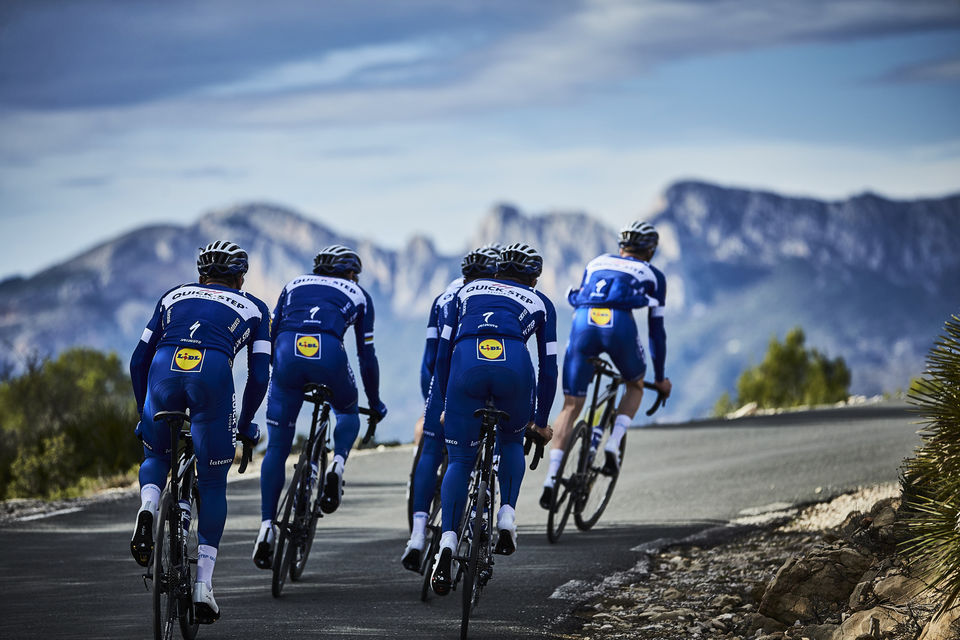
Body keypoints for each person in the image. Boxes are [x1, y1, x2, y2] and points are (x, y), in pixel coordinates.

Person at [129, 240, 270, 623]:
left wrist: (144, 410)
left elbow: (138, 359)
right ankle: (203, 586)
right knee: (211, 483)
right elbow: (259, 374)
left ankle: (147, 509)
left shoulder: (172, 295)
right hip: (212, 376)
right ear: (241, 277)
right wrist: (243, 426)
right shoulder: (256, 307)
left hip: (163, 369)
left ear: (200, 274)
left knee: (157, 455)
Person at [427, 242, 557, 596]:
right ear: (535, 276)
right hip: (514, 369)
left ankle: (448, 543)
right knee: (513, 439)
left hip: (465, 365)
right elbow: (549, 368)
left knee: (460, 460)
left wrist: (443, 401)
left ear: (498, 270)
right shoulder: (541, 302)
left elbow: (442, 351)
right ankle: (506, 517)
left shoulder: (466, 290)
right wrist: (540, 422)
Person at [253, 244, 387, 569]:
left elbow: (271, 333)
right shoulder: (358, 293)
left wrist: (282, 376)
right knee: (347, 410)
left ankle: (266, 528)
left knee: (277, 448)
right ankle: (337, 467)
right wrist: (374, 401)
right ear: (351, 273)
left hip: (286, 354)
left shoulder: (293, 284)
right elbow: (365, 357)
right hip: (329, 353)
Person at [540, 221, 672, 509]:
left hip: (583, 322)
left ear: (621, 247)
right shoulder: (655, 275)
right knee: (634, 385)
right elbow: (656, 331)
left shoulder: (596, 261)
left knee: (571, 405)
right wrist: (660, 378)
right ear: (649, 250)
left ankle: (551, 476)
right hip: (619, 325)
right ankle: (613, 442)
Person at [401, 245, 501, 571]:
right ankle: (480, 523)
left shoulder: (444, 298)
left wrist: (431, 402)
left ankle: (416, 537)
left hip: (445, 386)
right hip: (494, 380)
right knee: (489, 453)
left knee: (431, 450)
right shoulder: (502, 295)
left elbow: (431, 359)